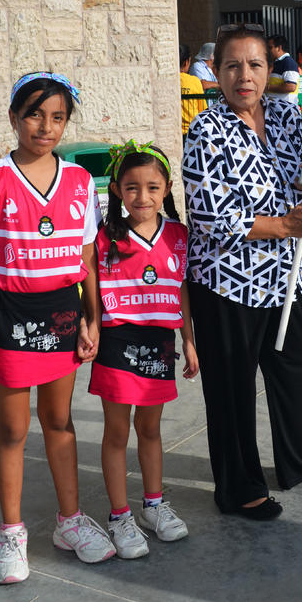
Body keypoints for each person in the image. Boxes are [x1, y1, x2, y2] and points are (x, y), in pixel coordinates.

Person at [183, 23, 302, 522]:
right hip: (226, 283)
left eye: (254, 64)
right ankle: (238, 488)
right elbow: (211, 217)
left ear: (268, 69)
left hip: (283, 278)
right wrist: (283, 225)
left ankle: (301, 461)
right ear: (216, 73)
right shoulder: (205, 131)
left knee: (296, 365)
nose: (244, 75)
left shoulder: (284, 114)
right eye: (232, 65)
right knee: (232, 389)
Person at [0, 72, 115, 586]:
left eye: (57, 117)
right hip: (7, 314)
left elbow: (87, 257)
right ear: (14, 117)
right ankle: (11, 532)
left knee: (59, 421)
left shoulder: (79, 181)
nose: (45, 127)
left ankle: (70, 522)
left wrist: (92, 316)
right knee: (12, 429)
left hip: (62, 312)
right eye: (34, 115)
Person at [89, 141, 199, 557]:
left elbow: (181, 290)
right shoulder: (104, 237)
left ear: (166, 189)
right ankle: (120, 516)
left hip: (159, 342)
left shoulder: (178, 236)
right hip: (117, 341)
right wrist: (90, 325)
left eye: (153, 187)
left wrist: (188, 339)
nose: (142, 196)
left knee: (150, 429)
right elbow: (91, 289)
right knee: (117, 432)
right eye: (132, 187)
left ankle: (154, 505)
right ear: (117, 190)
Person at [180, 43, 205, 144]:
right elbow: (202, 109)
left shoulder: (166, 81)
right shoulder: (194, 81)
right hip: (192, 131)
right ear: (186, 62)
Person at [267, 33, 302, 104]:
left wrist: (267, 88)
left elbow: (291, 87)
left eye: (270, 48)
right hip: (275, 107)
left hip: (284, 108)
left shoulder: (288, 63)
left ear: (279, 48)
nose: (267, 51)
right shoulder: (275, 63)